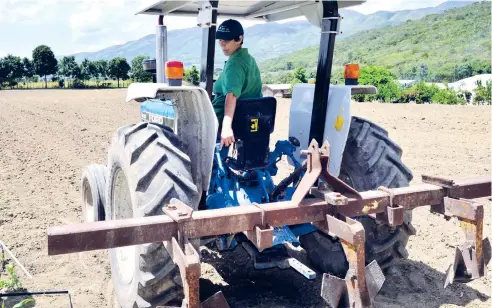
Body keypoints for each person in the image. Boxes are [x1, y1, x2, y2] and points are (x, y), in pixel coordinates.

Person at [212, 19, 263, 150]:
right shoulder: (248, 59)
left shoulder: (234, 63)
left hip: (221, 120)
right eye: (220, 40)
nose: (222, 45)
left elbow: (231, 96)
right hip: (249, 118)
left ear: (239, 39)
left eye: (226, 41)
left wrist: (226, 127)